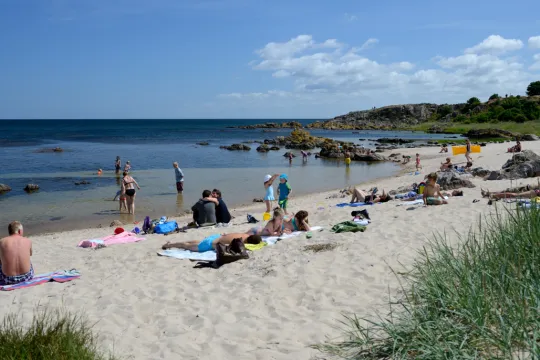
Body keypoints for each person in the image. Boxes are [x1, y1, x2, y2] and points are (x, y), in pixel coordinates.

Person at [0, 221, 33, 286]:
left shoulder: (2, 241)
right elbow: (30, 254)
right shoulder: (28, 241)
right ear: (20, 231)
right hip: (26, 277)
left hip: (7, 279)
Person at [162, 233, 262, 252]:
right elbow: (221, 246)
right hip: (211, 243)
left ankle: (172, 243)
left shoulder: (244, 235)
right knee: (187, 247)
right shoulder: (239, 242)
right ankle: (169, 245)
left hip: (217, 235)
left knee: (195, 242)